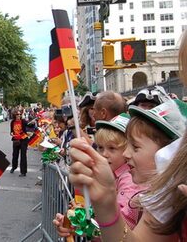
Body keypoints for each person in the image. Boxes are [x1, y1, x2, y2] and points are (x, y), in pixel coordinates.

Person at [68, 98, 187, 241]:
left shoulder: (137, 186)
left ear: (170, 154)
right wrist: (105, 203)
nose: (126, 154)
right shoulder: (164, 197)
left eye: (135, 147)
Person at [53, 113, 144, 237]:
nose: (105, 154)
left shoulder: (129, 180)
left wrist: (83, 225)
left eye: (112, 148)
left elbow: (121, 227)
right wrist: (78, 219)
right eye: (100, 148)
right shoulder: (105, 174)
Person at [9, 110, 28, 176]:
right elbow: (11, 131)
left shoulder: (23, 121)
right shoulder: (12, 122)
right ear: (14, 115)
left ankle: (23, 172)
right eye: (17, 114)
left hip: (23, 139)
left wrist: (33, 123)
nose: (19, 116)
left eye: (20, 114)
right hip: (16, 140)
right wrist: (11, 133)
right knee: (15, 154)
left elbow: (29, 125)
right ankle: (14, 167)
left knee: (23, 155)